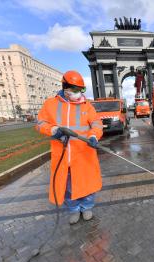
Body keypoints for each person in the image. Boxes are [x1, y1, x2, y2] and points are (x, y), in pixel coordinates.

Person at [36, 70, 103, 224]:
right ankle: (73, 209)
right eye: (75, 90)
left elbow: (96, 123)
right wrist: (53, 130)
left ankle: (86, 207)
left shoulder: (87, 106)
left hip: (83, 153)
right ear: (65, 88)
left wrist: (94, 136)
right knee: (67, 186)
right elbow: (40, 123)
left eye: (81, 90)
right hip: (62, 154)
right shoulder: (50, 104)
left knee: (87, 183)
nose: (78, 93)